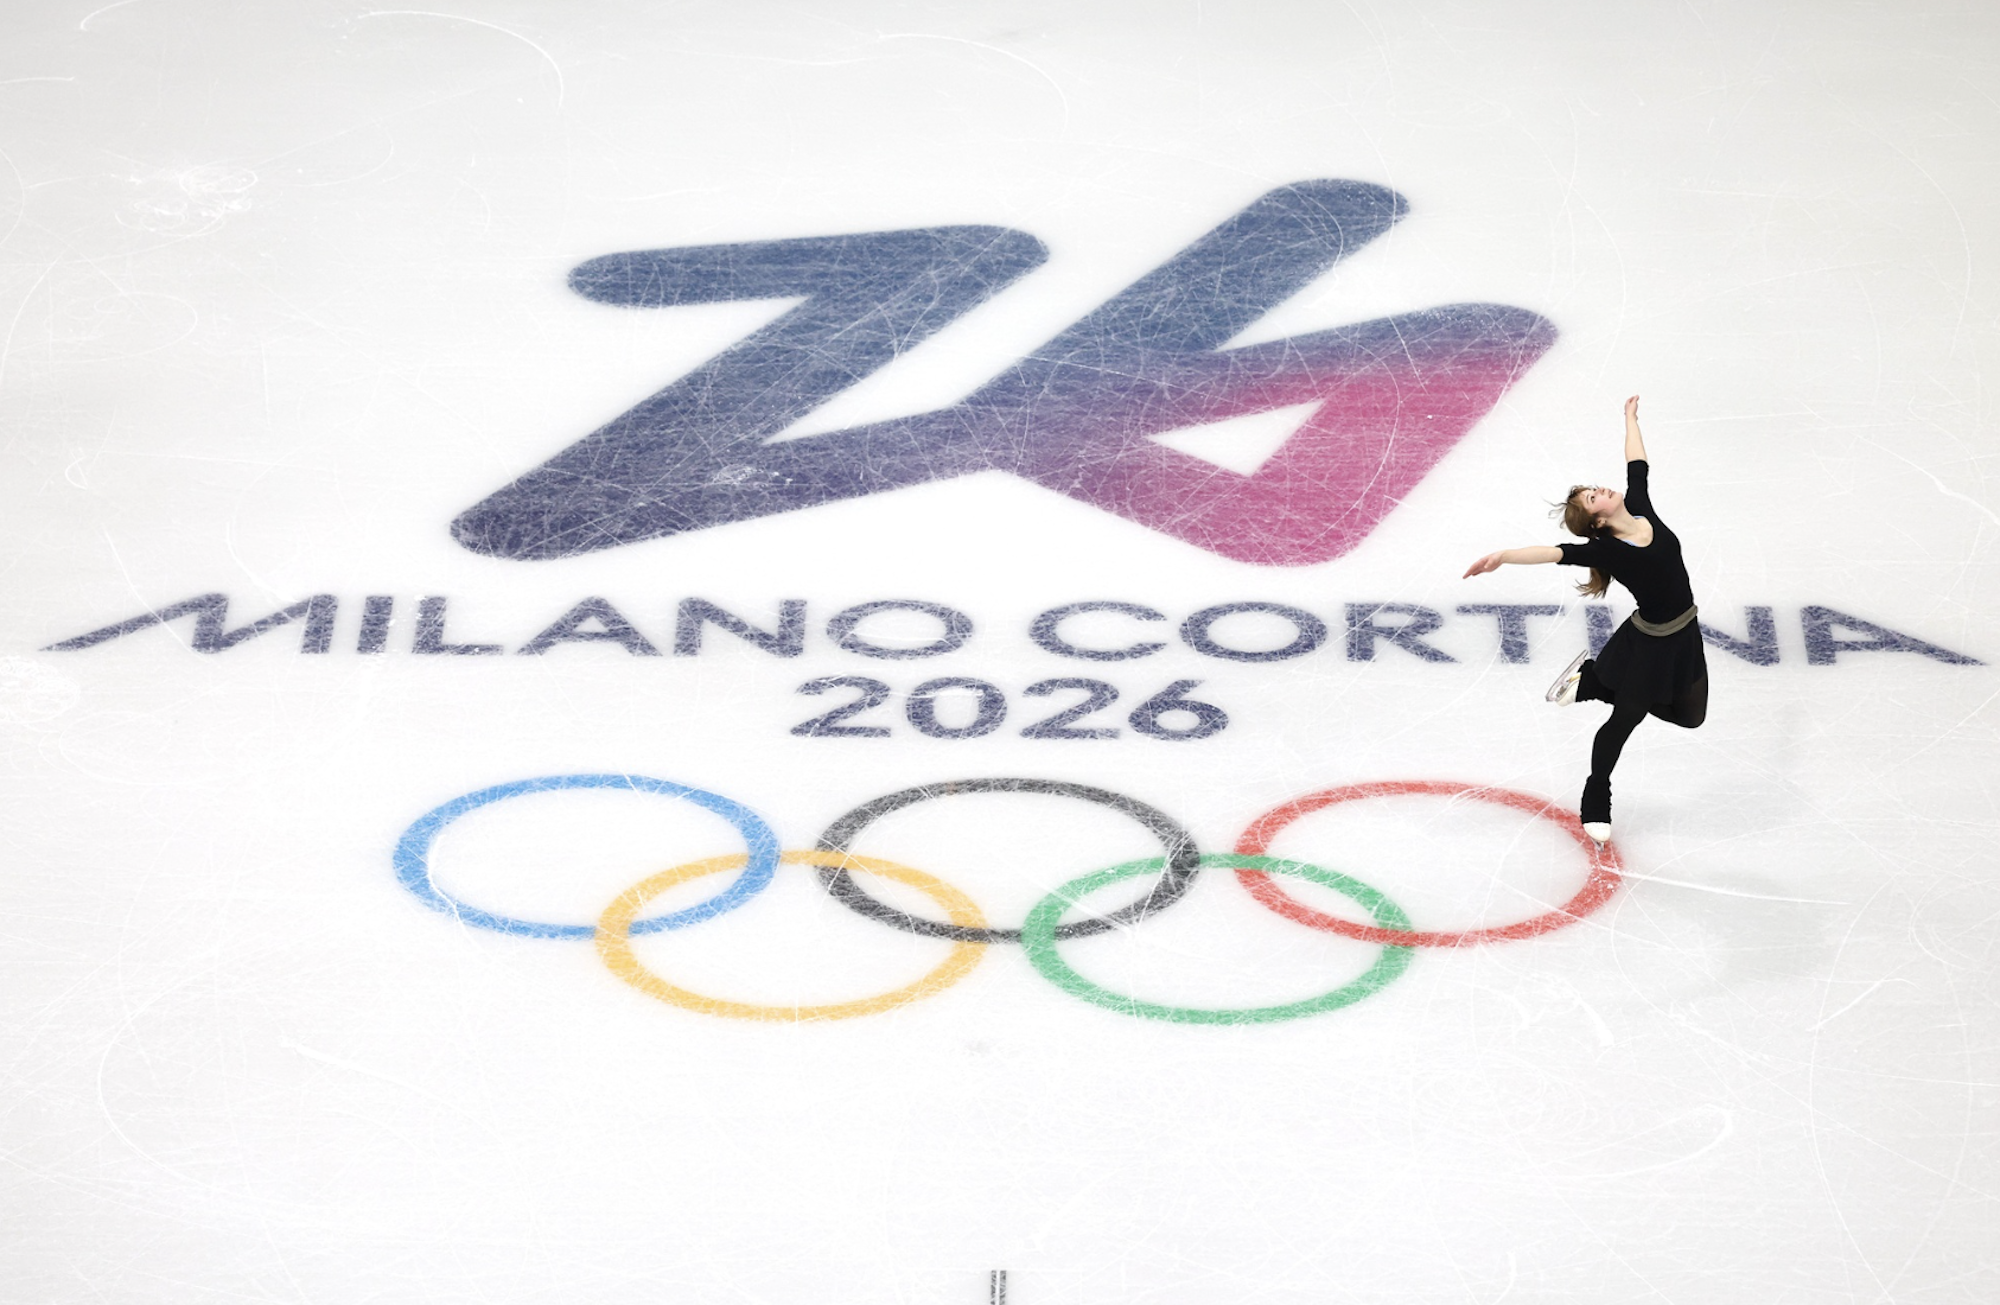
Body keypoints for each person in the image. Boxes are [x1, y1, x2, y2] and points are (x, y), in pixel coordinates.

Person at [1461, 395, 1708, 843]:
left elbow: (1637, 462)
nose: (1602, 491)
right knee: (1624, 720)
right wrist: (1502, 557)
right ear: (1595, 520)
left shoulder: (1641, 507)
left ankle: (1593, 683)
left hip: (1685, 634)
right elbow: (1554, 553)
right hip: (1647, 646)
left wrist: (1631, 419)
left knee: (1690, 717)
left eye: (1595, 488)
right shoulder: (1605, 548)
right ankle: (1596, 797)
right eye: (1594, 497)